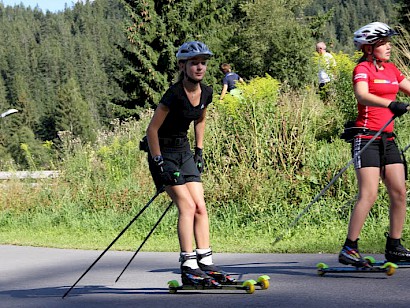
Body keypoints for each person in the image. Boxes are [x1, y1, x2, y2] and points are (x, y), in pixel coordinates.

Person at [145, 41, 232, 286]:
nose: (199, 67)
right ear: (183, 65)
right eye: (194, 63)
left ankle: (205, 262)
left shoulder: (206, 92)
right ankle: (188, 265)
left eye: (203, 63)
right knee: (186, 206)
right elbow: (152, 130)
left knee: (201, 207)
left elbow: (200, 120)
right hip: (164, 152)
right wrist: (158, 161)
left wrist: (200, 151)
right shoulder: (173, 94)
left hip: (184, 152)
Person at [339, 22, 410, 267]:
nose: (389, 47)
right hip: (366, 137)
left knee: (399, 192)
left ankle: (394, 246)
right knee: (368, 194)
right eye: (383, 43)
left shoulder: (392, 70)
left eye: (388, 43)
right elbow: (362, 95)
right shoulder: (362, 69)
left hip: (388, 139)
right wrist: (391, 104)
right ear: (369, 48)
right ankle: (350, 247)